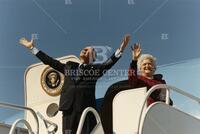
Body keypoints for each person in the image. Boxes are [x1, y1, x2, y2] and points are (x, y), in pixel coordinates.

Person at [19, 35, 130, 134]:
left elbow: (108, 64)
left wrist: (120, 50)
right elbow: (50, 61)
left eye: (88, 50)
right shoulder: (69, 66)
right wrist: (32, 48)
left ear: (93, 57)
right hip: (68, 110)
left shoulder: (95, 70)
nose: (84, 50)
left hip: (85, 112)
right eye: (84, 49)